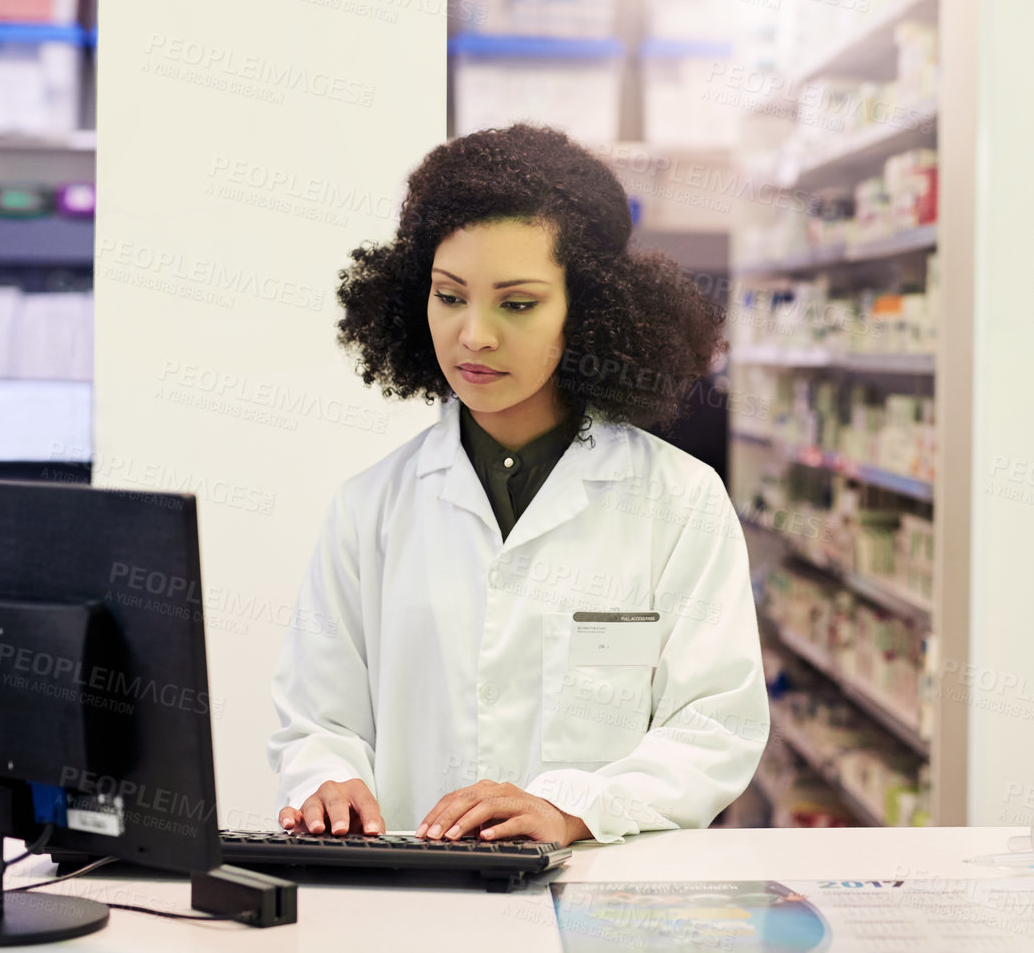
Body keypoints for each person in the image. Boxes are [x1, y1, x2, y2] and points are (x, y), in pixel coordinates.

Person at [266, 123, 768, 846]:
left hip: (601, 896)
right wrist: (327, 778)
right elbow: (319, 718)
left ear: (587, 310)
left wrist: (573, 807)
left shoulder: (679, 500)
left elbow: (716, 723)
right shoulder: (369, 506)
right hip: (417, 900)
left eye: (518, 302)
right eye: (449, 295)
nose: (473, 334)